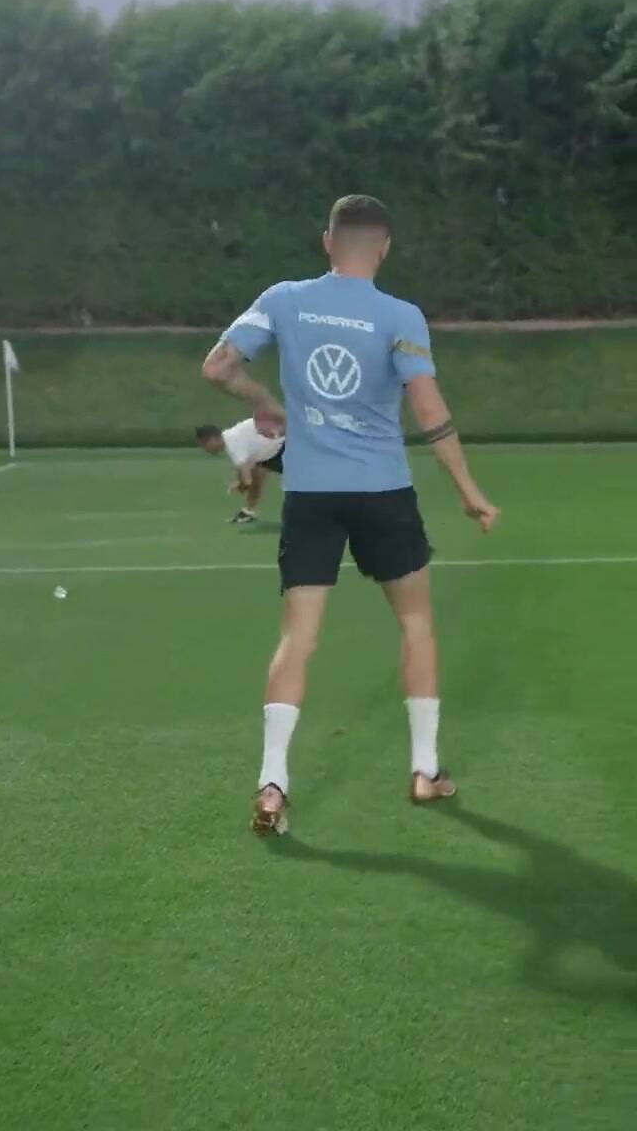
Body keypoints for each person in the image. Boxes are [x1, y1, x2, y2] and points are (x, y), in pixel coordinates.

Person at [202, 194, 499, 835]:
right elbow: (427, 410)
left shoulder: (283, 298)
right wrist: (469, 489)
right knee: (416, 622)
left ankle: (273, 782)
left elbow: (218, 367)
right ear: (384, 247)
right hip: (382, 493)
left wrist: (263, 400)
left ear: (327, 242)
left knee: (298, 637)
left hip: (310, 494)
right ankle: (424, 770)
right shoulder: (400, 316)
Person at [195, 420, 285, 524]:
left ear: (213, 439)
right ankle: (248, 512)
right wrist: (241, 482)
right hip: (272, 445)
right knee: (257, 472)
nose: (204, 449)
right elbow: (245, 469)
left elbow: (247, 481)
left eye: (204, 444)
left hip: (283, 443)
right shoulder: (230, 437)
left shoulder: (233, 445)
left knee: (301, 480)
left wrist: (240, 486)